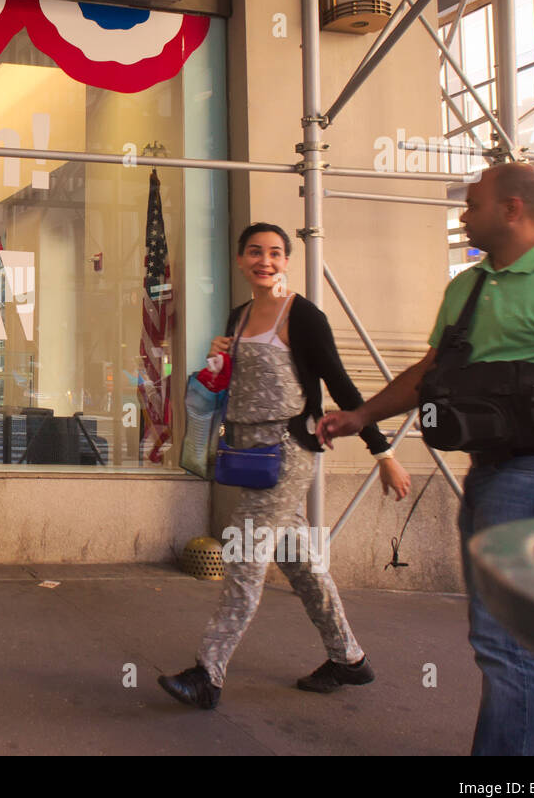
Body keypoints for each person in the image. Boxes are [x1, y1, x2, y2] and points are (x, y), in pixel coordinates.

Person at [317, 163, 534, 755]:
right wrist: (362, 417)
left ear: (514, 209)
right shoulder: (469, 286)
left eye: (473, 204)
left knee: (507, 642)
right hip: (490, 473)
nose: (462, 214)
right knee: (530, 639)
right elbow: (431, 373)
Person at [159, 222, 411, 710]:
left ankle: (207, 673)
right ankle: (349, 658)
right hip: (247, 451)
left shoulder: (304, 316)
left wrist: (384, 454)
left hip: (290, 449)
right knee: (300, 561)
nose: (264, 261)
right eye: (254, 252)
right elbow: (226, 387)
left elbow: (342, 386)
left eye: (275, 253)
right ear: (240, 260)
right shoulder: (237, 316)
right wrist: (217, 362)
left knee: (245, 554)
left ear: (287, 261)